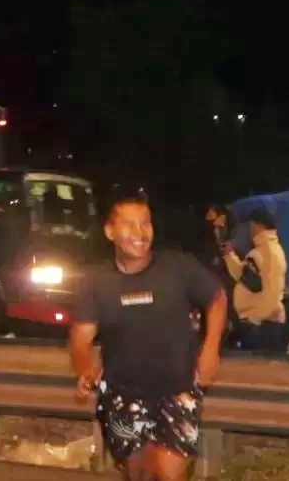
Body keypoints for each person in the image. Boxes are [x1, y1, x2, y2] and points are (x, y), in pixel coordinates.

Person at [69, 190, 227, 481]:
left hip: (176, 391)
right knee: (138, 474)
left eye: (146, 223)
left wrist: (210, 349)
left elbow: (216, 298)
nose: (140, 233)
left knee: (168, 474)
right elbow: (81, 337)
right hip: (121, 394)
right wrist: (85, 370)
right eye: (130, 224)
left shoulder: (179, 267)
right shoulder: (96, 282)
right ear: (109, 231)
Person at [221, 208, 287, 352]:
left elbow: (250, 282)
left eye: (251, 226)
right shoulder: (277, 250)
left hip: (257, 324)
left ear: (258, 226)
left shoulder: (259, 254)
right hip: (272, 322)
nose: (250, 230)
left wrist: (228, 255)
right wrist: (230, 255)